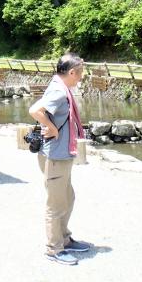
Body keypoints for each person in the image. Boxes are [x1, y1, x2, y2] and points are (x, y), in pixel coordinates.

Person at [28, 52, 91, 265]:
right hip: (55, 155)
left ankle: (64, 239)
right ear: (71, 72)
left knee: (67, 197)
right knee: (56, 204)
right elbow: (34, 110)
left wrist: (51, 126)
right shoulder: (58, 91)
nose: (81, 77)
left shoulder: (59, 86)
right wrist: (52, 128)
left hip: (60, 154)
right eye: (80, 72)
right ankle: (54, 249)